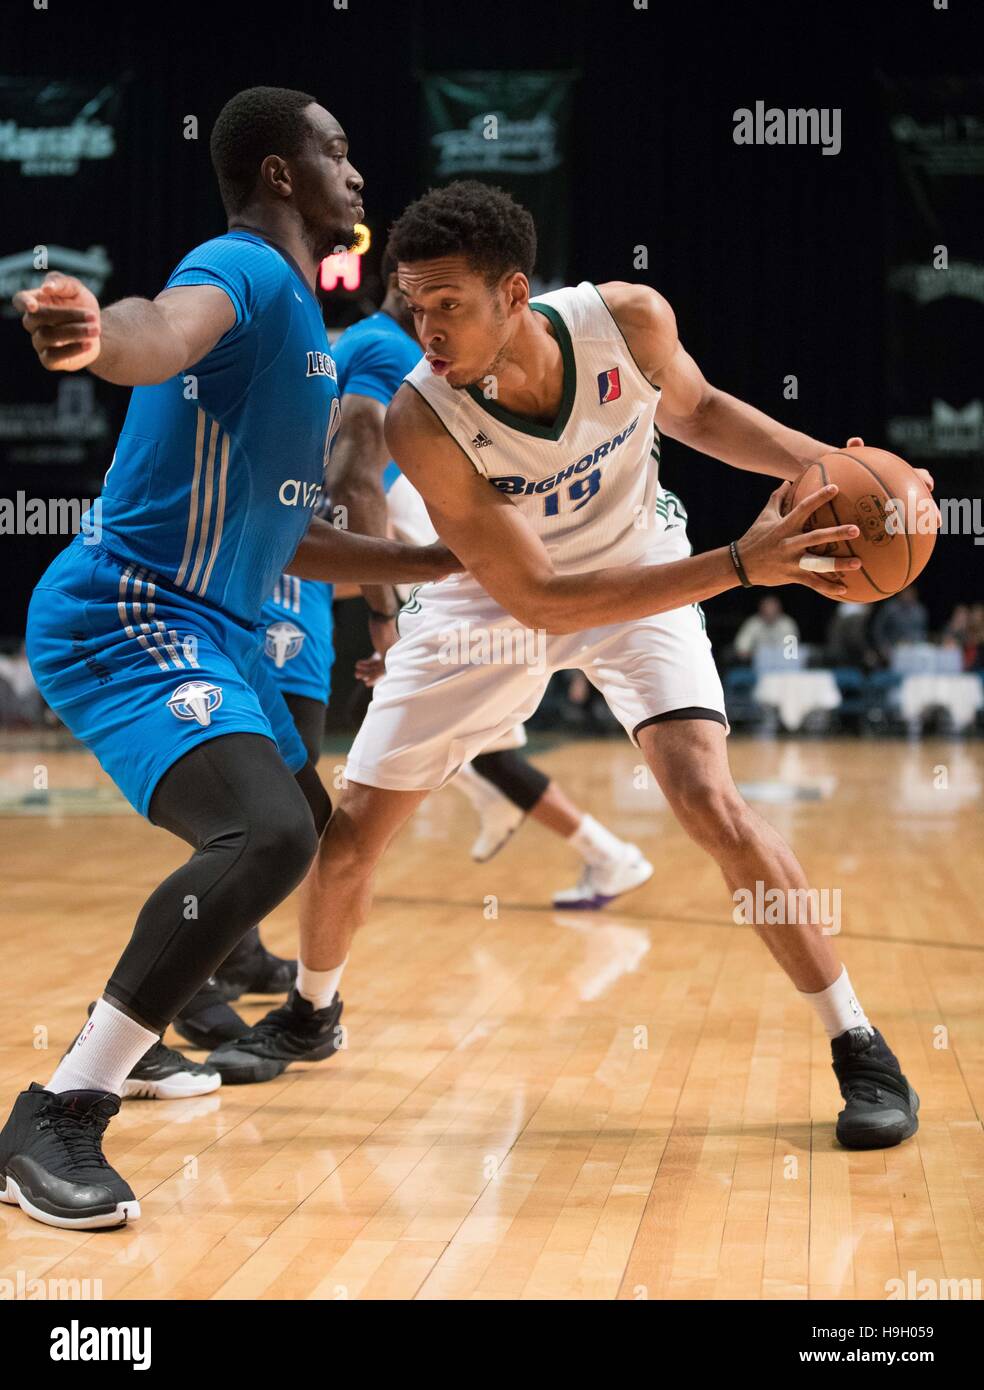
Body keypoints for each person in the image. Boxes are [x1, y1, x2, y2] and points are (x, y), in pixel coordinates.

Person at [210, 179, 923, 1156]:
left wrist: (845, 471)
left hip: (640, 567)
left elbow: (701, 410)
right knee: (352, 834)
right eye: (414, 306)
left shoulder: (627, 323)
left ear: (515, 293)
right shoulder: (423, 418)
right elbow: (539, 599)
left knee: (708, 799)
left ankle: (859, 1044)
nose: (427, 331)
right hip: (496, 599)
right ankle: (312, 1010)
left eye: (448, 305)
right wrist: (738, 564)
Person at [0, 87, 456, 1230]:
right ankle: (60, 1111)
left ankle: (154, 1021)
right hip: (128, 609)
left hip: (218, 627)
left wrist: (432, 562)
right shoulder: (242, 267)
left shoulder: (306, 328)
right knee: (270, 832)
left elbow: (283, 532)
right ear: (281, 174)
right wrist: (99, 335)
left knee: (311, 831)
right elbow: (161, 327)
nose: (358, 172)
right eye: (337, 152)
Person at [332, 250, 653, 902]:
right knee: (471, 743)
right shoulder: (402, 354)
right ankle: (593, 846)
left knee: (451, 739)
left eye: (447, 302)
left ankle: (600, 849)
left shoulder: (380, 347)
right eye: (429, 306)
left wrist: (382, 613)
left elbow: (359, 482)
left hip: (426, 555)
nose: (435, 327)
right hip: (430, 553)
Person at [733, 595, 799, 662]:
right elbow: (741, 648)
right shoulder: (752, 623)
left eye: (773, 610)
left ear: (779, 610)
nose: (770, 613)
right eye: (767, 610)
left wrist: (774, 656)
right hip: (756, 663)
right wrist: (758, 655)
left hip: (783, 662)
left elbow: (793, 650)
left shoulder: (787, 623)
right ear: (761, 610)